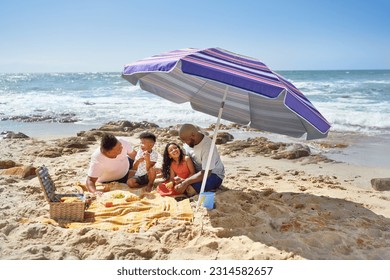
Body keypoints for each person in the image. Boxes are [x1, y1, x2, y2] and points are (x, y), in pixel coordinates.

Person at [176, 123, 225, 194]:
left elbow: (206, 173)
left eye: (185, 140)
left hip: (213, 175)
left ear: (193, 135)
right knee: (177, 183)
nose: (185, 143)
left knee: (189, 190)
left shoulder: (207, 147)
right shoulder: (188, 142)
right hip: (196, 172)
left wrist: (186, 182)